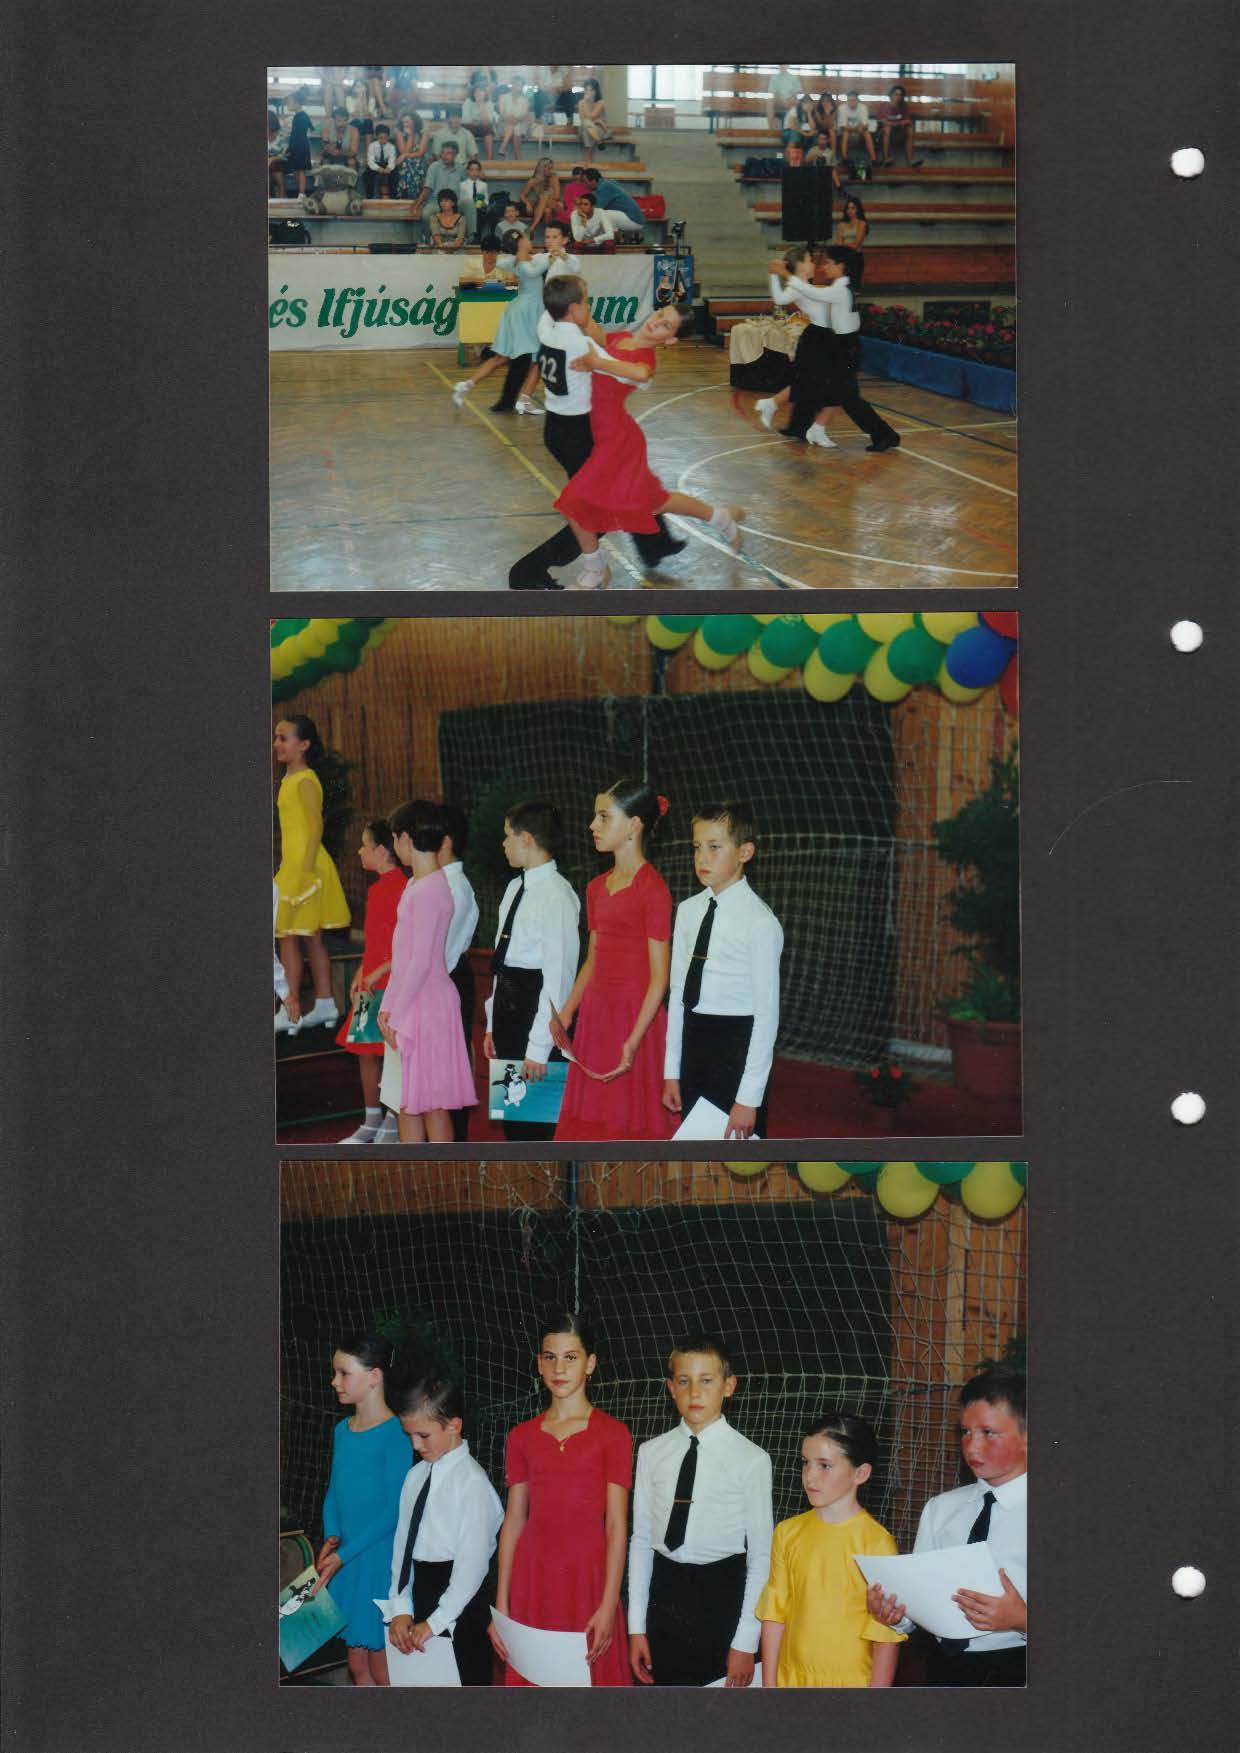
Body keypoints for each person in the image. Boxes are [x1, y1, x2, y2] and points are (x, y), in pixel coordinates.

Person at [507, 275, 687, 589]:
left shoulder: (546, 328)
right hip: (577, 435)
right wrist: (618, 364)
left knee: (624, 485)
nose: (589, 307)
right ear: (574, 308)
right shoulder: (583, 346)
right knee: (593, 509)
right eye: (586, 302)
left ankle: (655, 544)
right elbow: (633, 371)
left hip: (556, 429)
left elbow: (557, 312)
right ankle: (530, 571)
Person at [553, 302, 744, 586]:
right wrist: (575, 306)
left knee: (573, 502)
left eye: (666, 325)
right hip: (602, 436)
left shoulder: (645, 358)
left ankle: (596, 568)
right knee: (655, 503)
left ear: (671, 340)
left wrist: (597, 363)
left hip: (616, 443)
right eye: (660, 315)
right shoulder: (620, 337)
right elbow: (593, 330)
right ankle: (721, 518)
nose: (656, 322)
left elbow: (641, 374)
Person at [489, 1312, 632, 1687]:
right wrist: (502, 1604)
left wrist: (608, 1604)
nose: (559, 1368)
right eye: (550, 1357)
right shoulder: (521, 1437)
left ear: (590, 1363)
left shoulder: (614, 1434)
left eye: (571, 1357)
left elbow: (616, 1525)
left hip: (588, 1583)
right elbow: (514, 1521)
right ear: (539, 1363)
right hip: (533, 1583)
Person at [866, 1369, 1027, 1687]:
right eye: (965, 1431)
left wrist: (1022, 1619)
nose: (972, 1447)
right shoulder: (940, 1509)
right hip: (945, 1667)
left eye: (988, 1432)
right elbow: (920, 1602)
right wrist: (896, 1614)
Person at [628, 1335, 772, 1688]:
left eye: (706, 1380)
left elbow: (762, 1555)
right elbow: (642, 1540)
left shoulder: (752, 1459)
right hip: (665, 1598)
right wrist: (636, 1627)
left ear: (729, 1386)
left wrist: (745, 1641)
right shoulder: (651, 1452)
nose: (694, 1392)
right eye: (683, 1381)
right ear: (670, 1388)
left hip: (722, 1598)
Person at [552, 778, 673, 1140]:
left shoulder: (653, 889)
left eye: (604, 817)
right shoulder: (595, 887)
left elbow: (660, 978)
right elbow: (593, 960)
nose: (593, 825)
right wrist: (567, 1012)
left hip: (635, 1021)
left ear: (634, 825)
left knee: (628, 1123)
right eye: (595, 817)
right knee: (592, 1122)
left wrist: (633, 1039)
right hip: (596, 1017)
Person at [663, 802, 783, 1143]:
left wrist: (748, 1098)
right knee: (695, 1155)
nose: (702, 858)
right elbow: (678, 995)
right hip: (694, 1043)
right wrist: (672, 1071)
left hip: (735, 1047)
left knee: (734, 1163)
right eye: (697, 847)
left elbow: (767, 1017)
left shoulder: (760, 923)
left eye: (715, 847)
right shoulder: (688, 911)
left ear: (745, 852)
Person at [757, 1412, 905, 1687]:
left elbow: (885, 1634)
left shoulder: (876, 1543)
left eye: (824, 1465)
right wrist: (769, 1688)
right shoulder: (787, 1533)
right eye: (806, 1463)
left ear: (860, 1473)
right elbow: (774, 1614)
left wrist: (877, 1703)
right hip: (790, 1682)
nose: (810, 1476)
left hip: (851, 1689)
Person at [385, 1376, 503, 1686]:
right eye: (410, 1435)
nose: (415, 1445)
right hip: (420, 1596)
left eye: (423, 1435)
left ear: (454, 1425)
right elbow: (402, 1548)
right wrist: (400, 1607)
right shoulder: (414, 1477)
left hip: (461, 1606)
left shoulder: (473, 1484)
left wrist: (436, 1622)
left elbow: (472, 1567)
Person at [310, 1334, 410, 1686]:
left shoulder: (397, 1433)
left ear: (374, 1377)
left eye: (343, 1373)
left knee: (383, 1669)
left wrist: (344, 1555)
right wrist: (332, 1536)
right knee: (356, 1665)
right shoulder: (342, 1430)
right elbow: (333, 1493)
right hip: (348, 1558)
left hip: (376, 1561)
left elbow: (395, 1511)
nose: (334, 1381)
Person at [377, 801, 477, 1143]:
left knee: (433, 1104)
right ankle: (415, 1169)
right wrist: (388, 1005)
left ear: (405, 838)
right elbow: (402, 957)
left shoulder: (433, 888)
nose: (395, 847)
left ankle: (441, 1169)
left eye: (394, 839)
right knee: (408, 1102)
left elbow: (420, 962)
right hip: (412, 1002)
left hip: (428, 1004)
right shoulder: (416, 885)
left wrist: (396, 1010)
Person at [482, 800, 580, 1142]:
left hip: (536, 1016)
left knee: (538, 1126)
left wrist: (539, 1047)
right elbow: (501, 964)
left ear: (525, 839)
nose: (503, 844)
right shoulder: (515, 888)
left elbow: (558, 979)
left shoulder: (558, 895)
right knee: (514, 1119)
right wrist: (492, 1024)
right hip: (508, 1014)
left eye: (507, 836)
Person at [761, 246, 900, 452]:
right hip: (840, 344)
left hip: (846, 347)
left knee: (848, 397)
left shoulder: (840, 290)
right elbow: (805, 293)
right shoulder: (840, 286)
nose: (823, 266)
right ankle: (809, 428)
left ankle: (885, 435)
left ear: (841, 266)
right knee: (830, 390)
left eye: (828, 262)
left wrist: (784, 274)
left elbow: (810, 292)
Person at [273, 716, 350, 1034]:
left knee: (288, 936)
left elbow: (316, 825)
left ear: (303, 744)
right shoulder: (289, 779)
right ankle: (325, 1004)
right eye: (276, 738)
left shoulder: (305, 780)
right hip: (296, 864)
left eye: (284, 738)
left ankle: (289, 1012)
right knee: (309, 937)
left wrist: (304, 870)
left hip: (306, 866)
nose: (276, 744)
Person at [336, 820, 407, 1144]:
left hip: (394, 981)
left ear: (381, 851)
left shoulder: (404, 887)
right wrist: (361, 974)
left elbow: (404, 944)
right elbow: (374, 942)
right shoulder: (376, 889)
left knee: (392, 1052)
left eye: (365, 845)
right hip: (371, 982)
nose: (359, 851)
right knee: (364, 1049)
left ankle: (393, 1118)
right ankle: (371, 1118)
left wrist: (380, 972)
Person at [453, 230, 551, 414]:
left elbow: (496, 262)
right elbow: (536, 267)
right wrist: (553, 254)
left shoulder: (515, 261)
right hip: (527, 314)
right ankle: (523, 400)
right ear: (520, 244)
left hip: (516, 310)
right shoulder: (527, 265)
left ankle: (465, 385)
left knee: (501, 357)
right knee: (535, 358)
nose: (529, 240)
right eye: (525, 238)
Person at [438, 803, 480, 1146]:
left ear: (446, 841)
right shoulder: (435, 883)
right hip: (441, 979)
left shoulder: (456, 888)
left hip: (449, 977)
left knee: (451, 1068)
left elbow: (443, 951)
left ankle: (456, 1144)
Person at [582, 166, 645, 231]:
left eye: (586, 182)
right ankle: (615, 237)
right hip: (634, 218)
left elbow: (596, 209)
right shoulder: (606, 183)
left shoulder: (604, 187)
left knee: (600, 214)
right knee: (601, 216)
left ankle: (600, 237)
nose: (585, 185)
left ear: (593, 181)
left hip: (634, 219)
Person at [878, 83, 922, 167]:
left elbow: (908, 120)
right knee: (887, 128)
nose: (898, 97)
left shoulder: (904, 106)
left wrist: (897, 123)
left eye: (900, 95)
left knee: (910, 128)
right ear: (891, 95)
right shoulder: (884, 105)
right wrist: (895, 123)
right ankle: (886, 159)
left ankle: (910, 160)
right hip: (884, 134)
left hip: (898, 132)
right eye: (896, 94)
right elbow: (881, 121)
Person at [393, 112, 432, 204]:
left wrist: (405, 156)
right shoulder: (399, 132)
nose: (405, 124)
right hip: (406, 162)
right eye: (403, 122)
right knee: (407, 163)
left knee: (409, 164)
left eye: (407, 122)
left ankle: (407, 196)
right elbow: (404, 151)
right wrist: (410, 136)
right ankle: (414, 196)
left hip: (419, 160)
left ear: (414, 121)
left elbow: (421, 152)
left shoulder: (424, 132)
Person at [521, 157, 562, 236]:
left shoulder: (554, 177)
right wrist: (528, 204)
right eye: (549, 168)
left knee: (544, 198)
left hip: (554, 203)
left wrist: (546, 198)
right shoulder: (533, 180)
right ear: (542, 168)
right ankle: (549, 235)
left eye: (552, 168)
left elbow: (557, 196)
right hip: (540, 206)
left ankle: (533, 227)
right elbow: (522, 195)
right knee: (547, 211)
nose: (551, 170)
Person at [284, 91, 313, 198]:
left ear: (297, 103)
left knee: (300, 170)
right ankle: (300, 192)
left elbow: (305, 131)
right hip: (296, 146)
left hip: (300, 146)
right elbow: (310, 128)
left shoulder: (301, 116)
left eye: (289, 102)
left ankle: (302, 193)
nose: (287, 105)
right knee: (296, 170)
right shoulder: (299, 116)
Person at [835, 195, 869, 285]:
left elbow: (856, 245)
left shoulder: (862, 224)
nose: (850, 210)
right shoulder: (841, 224)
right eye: (848, 208)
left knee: (854, 286)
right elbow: (838, 244)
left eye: (853, 208)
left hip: (856, 257)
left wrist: (843, 245)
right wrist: (843, 246)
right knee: (843, 285)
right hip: (843, 258)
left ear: (858, 209)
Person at [836, 89, 877, 165]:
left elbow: (865, 125)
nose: (852, 102)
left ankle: (874, 159)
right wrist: (855, 128)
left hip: (859, 132)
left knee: (866, 133)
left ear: (858, 100)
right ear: (847, 100)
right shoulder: (841, 108)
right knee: (845, 133)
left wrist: (854, 128)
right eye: (849, 100)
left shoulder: (863, 107)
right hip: (846, 132)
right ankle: (844, 158)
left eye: (854, 100)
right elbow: (843, 127)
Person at [461, 79, 497, 159]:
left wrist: (480, 105)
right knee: (465, 130)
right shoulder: (468, 102)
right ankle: (471, 158)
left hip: (483, 127)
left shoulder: (489, 104)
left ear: (485, 93)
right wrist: (474, 122)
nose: (478, 93)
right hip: (470, 126)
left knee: (488, 129)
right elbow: (464, 119)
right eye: (476, 92)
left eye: (481, 91)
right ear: (473, 93)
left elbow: (488, 121)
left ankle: (490, 158)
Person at [576, 77, 609, 161]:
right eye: (586, 90)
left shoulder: (600, 102)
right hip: (586, 128)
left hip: (598, 129)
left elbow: (591, 116)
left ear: (596, 91)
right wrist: (584, 102)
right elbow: (582, 118)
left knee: (586, 128)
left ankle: (589, 159)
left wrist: (585, 103)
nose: (588, 92)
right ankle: (599, 141)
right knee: (586, 124)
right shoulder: (581, 102)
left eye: (591, 90)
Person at [320, 105, 359, 170]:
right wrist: (329, 148)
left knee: (351, 162)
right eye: (339, 121)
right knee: (325, 161)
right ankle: (327, 176)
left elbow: (354, 151)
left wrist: (340, 152)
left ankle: (351, 176)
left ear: (348, 120)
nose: (342, 123)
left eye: (345, 120)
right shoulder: (326, 129)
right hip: (331, 156)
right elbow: (325, 149)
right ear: (333, 120)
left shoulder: (354, 130)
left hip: (347, 156)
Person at [497, 82, 530, 159]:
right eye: (515, 85)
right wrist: (509, 118)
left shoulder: (525, 100)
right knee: (515, 130)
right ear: (512, 86)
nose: (516, 87)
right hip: (504, 123)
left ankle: (503, 146)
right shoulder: (503, 97)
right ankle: (518, 159)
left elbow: (524, 115)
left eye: (519, 85)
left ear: (522, 88)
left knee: (516, 129)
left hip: (521, 123)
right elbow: (501, 113)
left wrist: (516, 119)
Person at [765, 64, 801, 133]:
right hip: (778, 100)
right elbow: (774, 93)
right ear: (778, 66)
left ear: (788, 66)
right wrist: (782, 100)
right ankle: (771, 128)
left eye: (785, 65)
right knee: (769, 101)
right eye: (781, 65)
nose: (782, 66)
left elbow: (795, 94)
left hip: (790, 100)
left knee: (798, 102)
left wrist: (789, 100)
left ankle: (794, 127)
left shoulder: (794, 77)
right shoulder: (774, 77)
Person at [366, 124, 397, 199]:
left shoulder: (391, 147)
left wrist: (389, 168)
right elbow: (370, 161)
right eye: (381, 138)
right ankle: (370, 196)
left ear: (388, 137)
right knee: (367, 175)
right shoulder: (372, 146)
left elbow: (392, 160)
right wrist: (378, 168)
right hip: (375, 165)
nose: (383, 140)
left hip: (387, 164)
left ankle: (393, 197)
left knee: (395, 175)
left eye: (386, 138)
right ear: (376, 137)